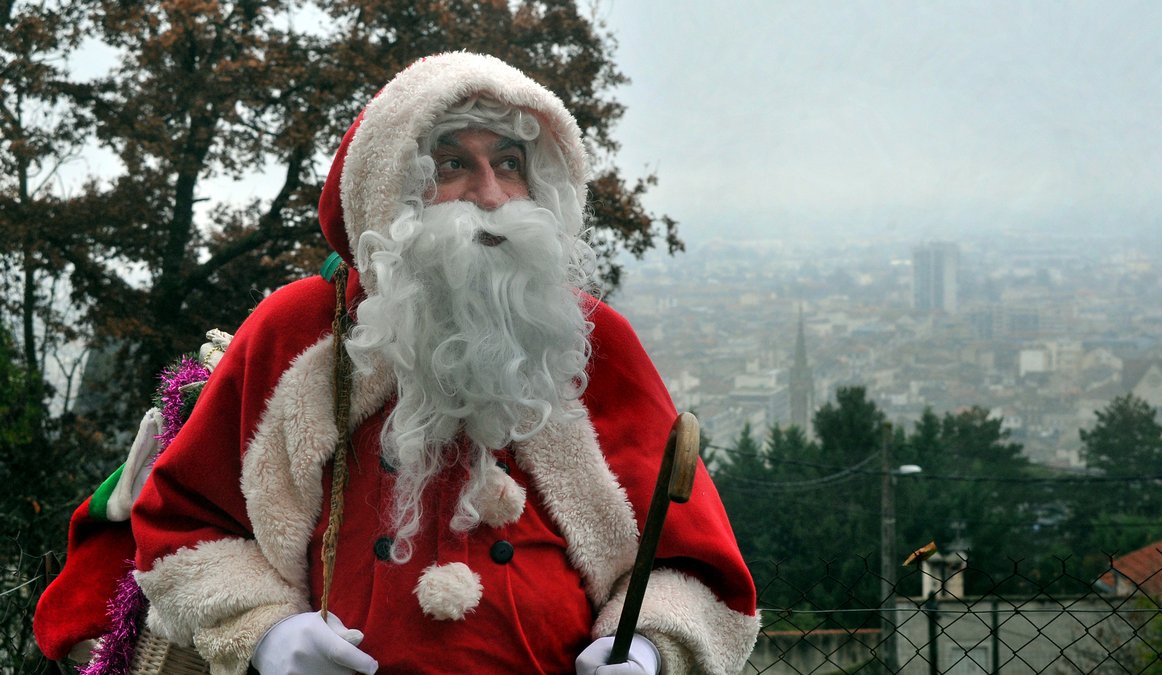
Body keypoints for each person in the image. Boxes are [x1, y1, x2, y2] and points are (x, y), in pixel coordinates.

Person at [131, 52, 759, 675]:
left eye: (508, 165)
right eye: (454, 164)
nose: (489, 195)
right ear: (389, 191)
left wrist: (648, 647)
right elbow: (183, 529)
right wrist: (266, 634)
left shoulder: (592, 342)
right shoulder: (300, 332)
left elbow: (693, 565)